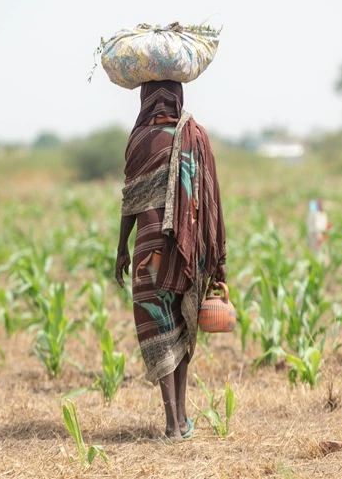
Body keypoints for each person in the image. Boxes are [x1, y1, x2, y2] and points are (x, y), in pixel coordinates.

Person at [114, 80, 227, 441]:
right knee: (182, 327)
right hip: (187, 248)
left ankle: (171, 423)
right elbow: (209, 196)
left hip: (149, 251)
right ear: (178, 95)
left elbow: (130, 201)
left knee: (160, 329)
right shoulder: (195, 135)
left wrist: (121, 248)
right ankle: (183, 418)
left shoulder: (138, 140)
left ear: (145, 97)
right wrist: (216, 256)